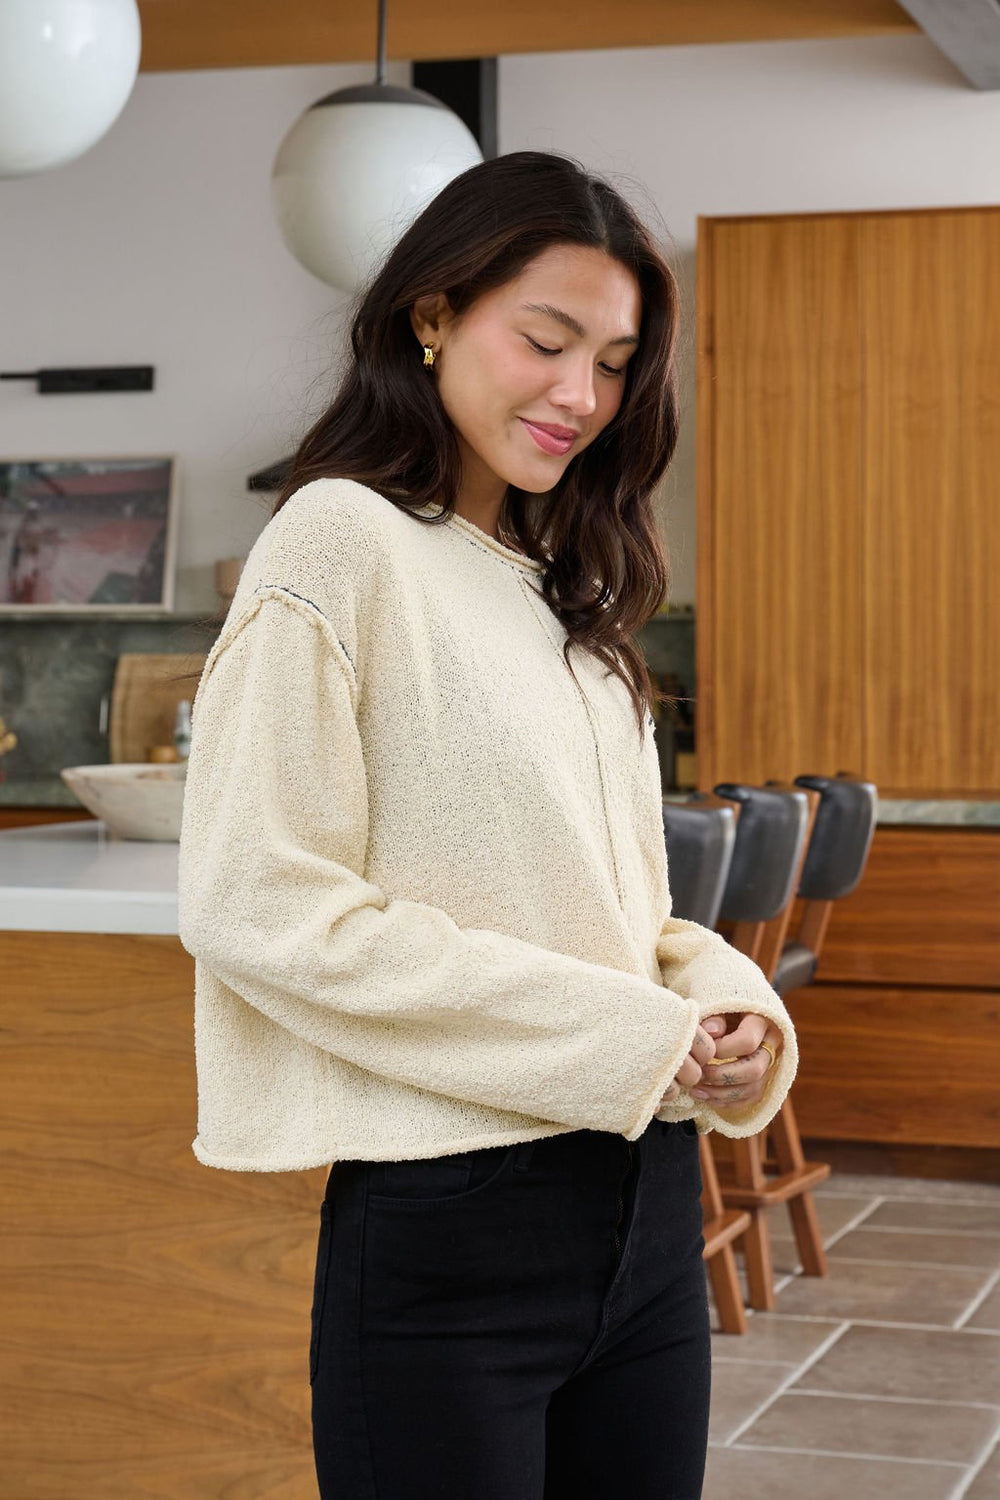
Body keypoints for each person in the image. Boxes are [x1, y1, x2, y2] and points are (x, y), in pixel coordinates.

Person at [177, 149, 798, 1500]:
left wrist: (716, 997)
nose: (582, 395)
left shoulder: (564, 584)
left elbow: (606, 901)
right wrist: (632, 1035)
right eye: (548, 339)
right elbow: (258, 904)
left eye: (617, 361)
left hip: (642, 1210)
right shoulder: (338, 545)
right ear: (434, 313)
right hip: (451, 1230)